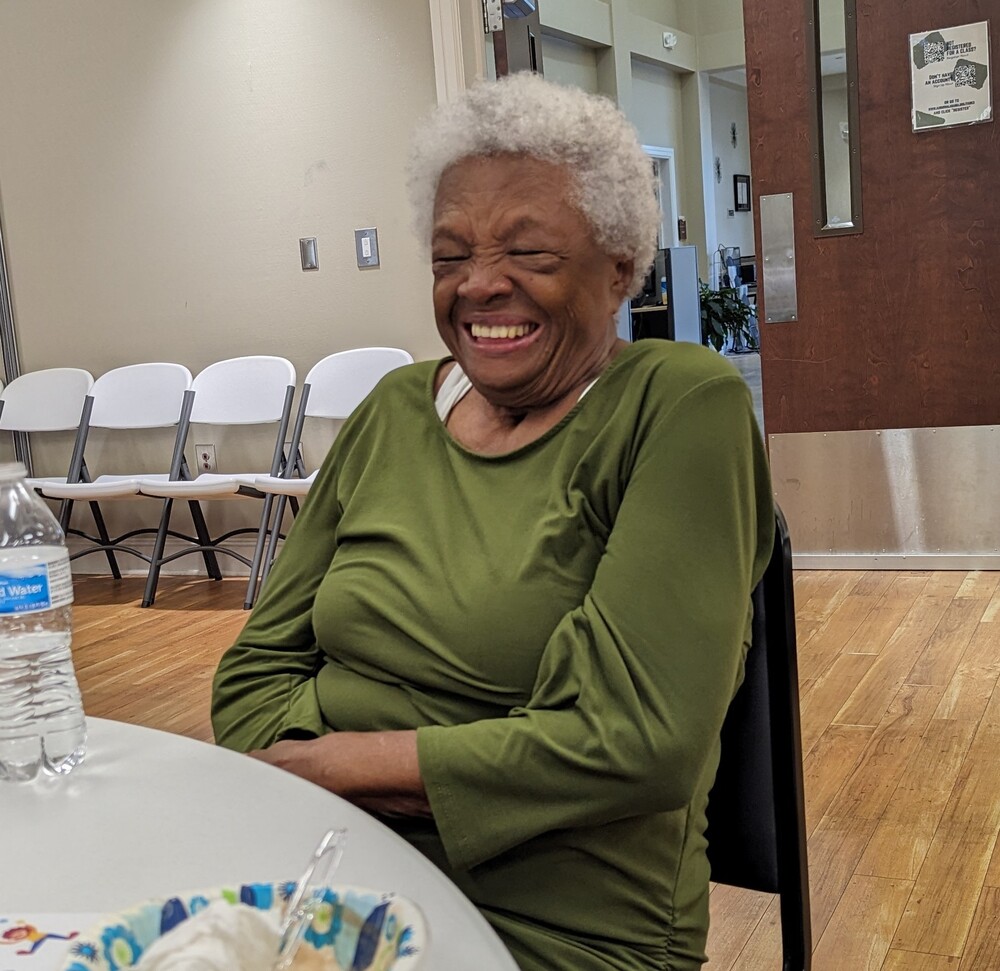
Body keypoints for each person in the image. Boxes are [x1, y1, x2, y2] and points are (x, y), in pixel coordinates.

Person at [212, 72, 774, 971]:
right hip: (327, 876)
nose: (479, 286)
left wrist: (333, 764)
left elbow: (632, 743)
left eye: (531, 255)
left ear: (622, 264)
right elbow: (250, 678)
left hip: (558, 928)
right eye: (449, 258)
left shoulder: (678, 408)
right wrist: (465, 760)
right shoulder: (393, 410)